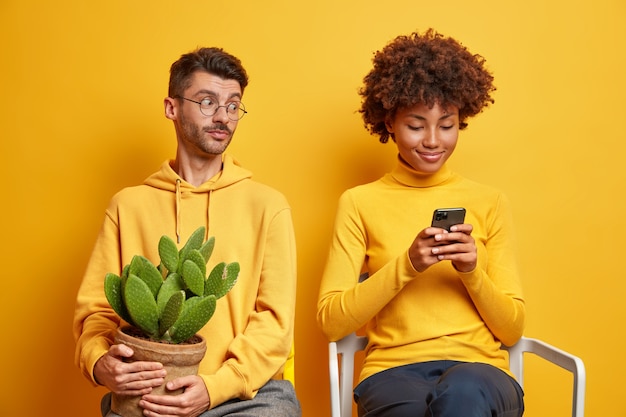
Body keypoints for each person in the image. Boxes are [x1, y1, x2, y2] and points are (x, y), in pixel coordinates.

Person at [74, 47, 300, 417]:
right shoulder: (127, 206)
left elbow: (275, 323)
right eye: (208, 102)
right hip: (150, 394)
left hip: (249, 394)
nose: (223, 117)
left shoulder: (268, 205)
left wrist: (215, 388)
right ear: (172, 107)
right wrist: (100, 362)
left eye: (232, 105)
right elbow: (96, 311)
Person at [317, 29, 525, 417]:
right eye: (416, 125)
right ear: (389, 122)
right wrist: (408, 264)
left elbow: (512, 330)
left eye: (446, 125)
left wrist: (472, 270)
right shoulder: (359, 203)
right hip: (392, 371)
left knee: (463, 394)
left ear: (461, 120)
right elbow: (331, 323)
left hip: (480, 371)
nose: (432, 141)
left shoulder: (491, 202)